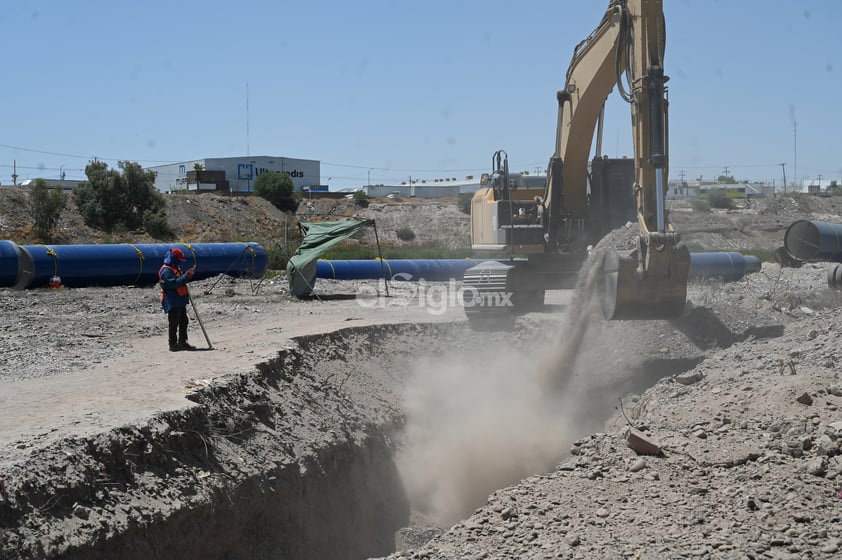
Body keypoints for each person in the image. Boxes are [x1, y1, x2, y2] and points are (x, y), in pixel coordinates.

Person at [158, 248, 196, 351]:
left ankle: (182, 341)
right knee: (174, 322)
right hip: (172, 299)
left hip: (180, 298)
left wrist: (187, 277)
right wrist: (185, 277)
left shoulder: (175, 268)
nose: (179, 262)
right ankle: (173, 344)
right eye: (178, 260)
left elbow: (180, 281)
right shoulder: (166, 271)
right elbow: (173, 284)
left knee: (183, 321)